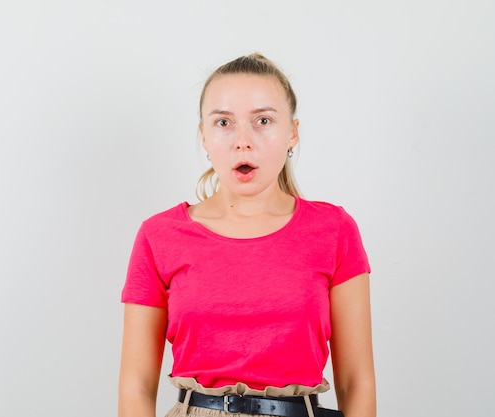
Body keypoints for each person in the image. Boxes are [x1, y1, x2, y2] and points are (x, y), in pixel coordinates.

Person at [118, 53, 375, 417]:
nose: (243, 140)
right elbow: (136, 388)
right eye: (223, 122)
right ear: (204, 137)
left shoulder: (334, 231)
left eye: (263, 120)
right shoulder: (159, 236)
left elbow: (356, 382)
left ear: (292, 133)